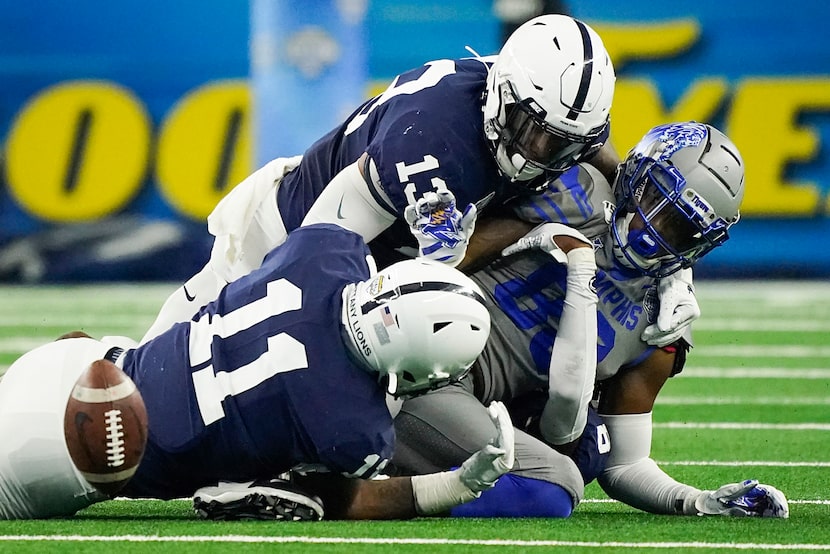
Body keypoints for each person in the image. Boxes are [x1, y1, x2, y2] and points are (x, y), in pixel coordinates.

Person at [391, 121, 789, 518]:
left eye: (680, 227)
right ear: (635, 172)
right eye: (655, 198)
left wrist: (694, 501)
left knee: (587, 451)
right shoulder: (573, 187)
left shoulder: (665, 319)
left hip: (473, 401)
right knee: (554, 481)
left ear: (701, 243)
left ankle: (385, 476)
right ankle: (368, 484)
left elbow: (624, 463)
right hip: (417, 350)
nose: (652, 231)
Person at [139, 13, 619, 343]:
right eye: (531, 132)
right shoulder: (432, 143)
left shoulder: (555, 114)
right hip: (290, 233)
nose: (541, 153)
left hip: (381, 249)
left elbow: (591, 145)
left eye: (560, 144)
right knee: (195, 350)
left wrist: (628, 189)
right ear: (501, 97)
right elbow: (324, 254)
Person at [0, 223, 516, 520]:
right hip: (80, 452)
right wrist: (459, 486)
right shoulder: (354, 430)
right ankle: (250, 484)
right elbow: (356, 499)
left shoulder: (327, 252)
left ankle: (247, 479)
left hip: (80, 363)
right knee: (317, 496)